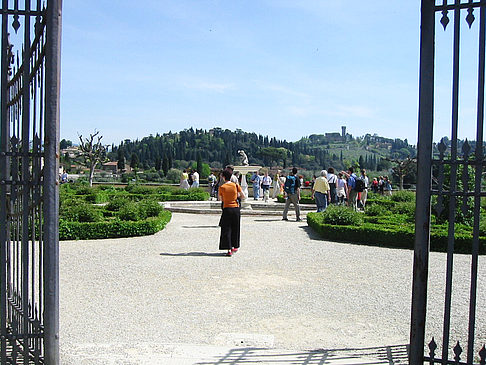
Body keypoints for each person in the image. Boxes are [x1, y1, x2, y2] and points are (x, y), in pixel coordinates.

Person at [218, 169, 245, 257]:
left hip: (227, 208)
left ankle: (228, 249)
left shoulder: (222, 187)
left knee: (226, 229)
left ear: (224, 177)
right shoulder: (236, 185)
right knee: (236, 228)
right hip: (236, 208)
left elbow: (220, 199)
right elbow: (243, 196)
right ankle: (235, 246)